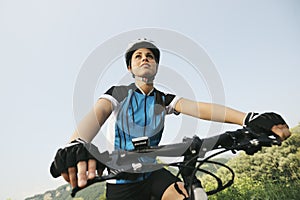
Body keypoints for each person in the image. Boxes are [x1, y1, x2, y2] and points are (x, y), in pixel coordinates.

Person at [50, 38, 291, 200]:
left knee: (188, 195)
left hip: (154, 172)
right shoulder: (118, 94)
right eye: (138, 57)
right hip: (122, 180)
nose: (145, 58)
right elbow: (97, 114)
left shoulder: (163, 99)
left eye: (150, 57)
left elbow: (200, 109)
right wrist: (76, 143)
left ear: (155, 66)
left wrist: (248, 118)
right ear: (130, 69)